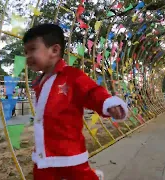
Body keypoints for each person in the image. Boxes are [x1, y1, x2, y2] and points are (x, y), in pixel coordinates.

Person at [23, 23, 128, 180]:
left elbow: (92, 91)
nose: (27, 56)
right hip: (43, 153)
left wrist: (108, 103)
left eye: (32, 49)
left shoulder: (71, 76)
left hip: (69, 152)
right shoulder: (40, 81)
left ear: (54, 50)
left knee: (80, 176)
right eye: (25, 52)